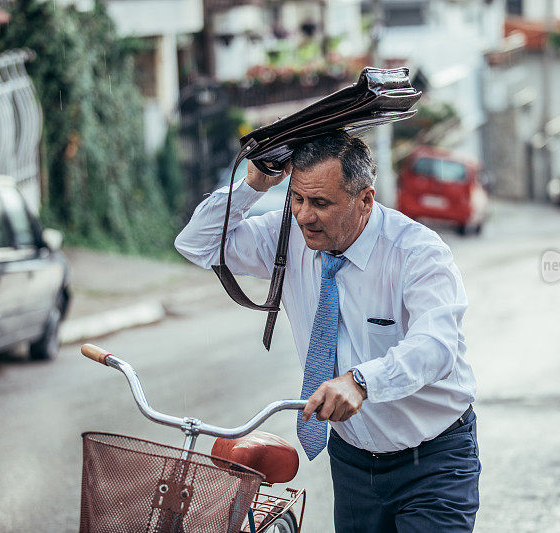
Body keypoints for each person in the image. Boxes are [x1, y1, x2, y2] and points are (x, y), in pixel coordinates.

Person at [175, 131, 480, 532]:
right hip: (353, 461)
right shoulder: (288, 237)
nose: (303, 215)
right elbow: (196, 244)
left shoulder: (417, 252)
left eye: (320, 203)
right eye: (297, 199)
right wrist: (253, 185)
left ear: (365, 200)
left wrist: (361, 381)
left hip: (435, 461)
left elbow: (436, 346)